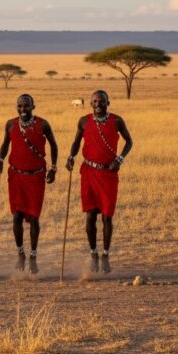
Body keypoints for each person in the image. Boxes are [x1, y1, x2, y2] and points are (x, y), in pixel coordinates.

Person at [65, 90, 133, 274]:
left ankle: (105, 254)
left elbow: (129, 142)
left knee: (107, 216)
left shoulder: (116, 121)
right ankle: (93, 254)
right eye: (95, 101)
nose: (98, 104)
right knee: (90, 216)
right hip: (89, 172)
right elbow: (76, 142)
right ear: (90, 103)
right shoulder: (84, 121)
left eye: (101, 101)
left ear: (108, 102)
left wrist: (119, 159)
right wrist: (71, 156)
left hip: (109, 174)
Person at [0, 94, 58, 274]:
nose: (23, 110)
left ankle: (33, 256)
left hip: (36, 177)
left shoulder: (43, 124)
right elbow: (5, 144)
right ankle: (20, 252)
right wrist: (0, 159)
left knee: (34, 218)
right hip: (16, 176)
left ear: (33, 106)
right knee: (17, 216)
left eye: (26, 106)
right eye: (20, 106)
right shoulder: (11, 124)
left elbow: (54, 145)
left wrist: (53, 168)